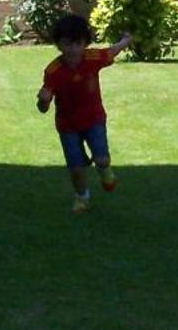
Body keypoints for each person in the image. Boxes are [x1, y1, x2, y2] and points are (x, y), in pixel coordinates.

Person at [37, 12, 133, 212]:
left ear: (85, 44)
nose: (73, 50)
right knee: (76, 169)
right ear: (59, 44)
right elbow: (43, 108)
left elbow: (112, 51)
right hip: (68, 125)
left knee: (101, 159)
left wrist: (125, 40)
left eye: (77, 44)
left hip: (94, 119)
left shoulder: (92, 58)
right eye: (67, 44)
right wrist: (43, 100)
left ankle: (105, 170)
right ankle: (82, 196)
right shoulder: (53, 71)